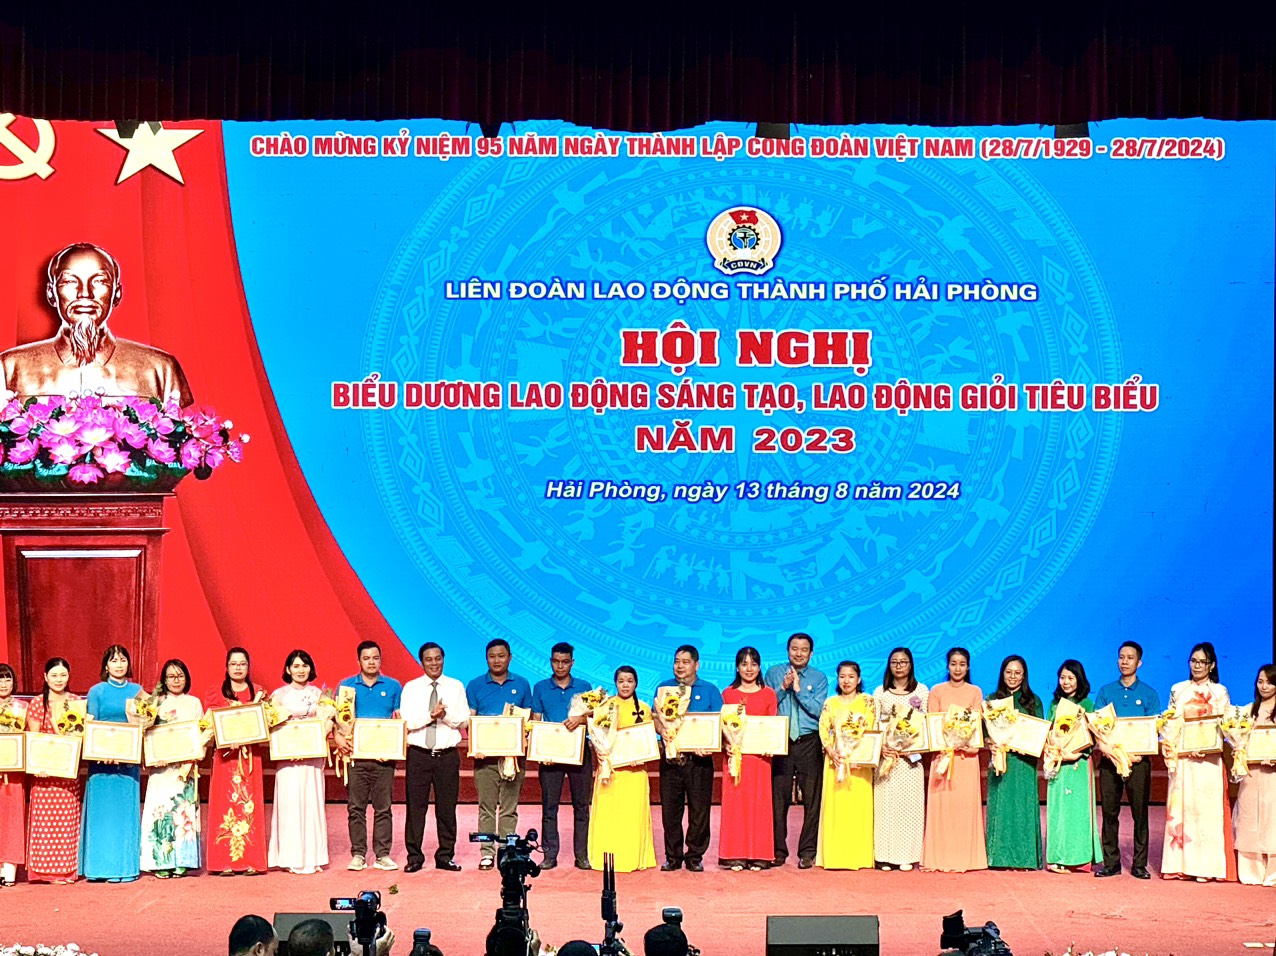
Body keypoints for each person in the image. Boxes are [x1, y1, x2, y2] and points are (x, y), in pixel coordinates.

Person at [1, 242, 193, 403]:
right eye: (70, 282)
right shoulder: (9, 368)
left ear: (117, 293)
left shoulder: (162, 370)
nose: (85, 293)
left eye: (100, 281)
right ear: (51, 293)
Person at [1162, 641, 1235, 882]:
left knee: (1207, 813)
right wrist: (1175, 747)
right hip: (1184, 760)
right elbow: (1171, 723)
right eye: (1193, 661)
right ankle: (1180, 866)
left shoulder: (1220, 692)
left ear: (1212, 665)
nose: (1197, 666)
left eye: (1202, 662)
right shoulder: (1178, 690)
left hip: (1209, 762)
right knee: (1184, 811)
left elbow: (1227, 726)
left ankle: (1207, 868)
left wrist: (1219, 741)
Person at [1092, 640, 1161, 879]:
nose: (1124, 661)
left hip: (1138, 762)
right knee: (1109, 812)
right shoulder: (1106, 691)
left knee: (1139, 813)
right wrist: (1111, 752)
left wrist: (1137, 754)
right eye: (1121, 657)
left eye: (1130, 658)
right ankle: (1111, 863)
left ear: (1139, 662)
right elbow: (1099, 728)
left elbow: (1153, 731)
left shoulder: (1149, 694)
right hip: (1110, 761)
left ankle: (1139, 865)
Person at [653, 644, 723, 872]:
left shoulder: (710, 690)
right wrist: (662, 730)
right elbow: (656, 718)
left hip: (699, 761)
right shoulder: (664, 689)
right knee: (670, 811)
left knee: (699, 811)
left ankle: (694, 855)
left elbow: (718, 723)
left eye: (685, 662)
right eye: (677, 661)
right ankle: (673, 856)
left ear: (696, 665)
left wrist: (710, 745)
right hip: (671, 759)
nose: (680, 666)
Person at [401, 641, 469, 872]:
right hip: (418, 755)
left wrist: (444, 715)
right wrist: (431, 715)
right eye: (429, 659)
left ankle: (445, 856)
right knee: (415, 808)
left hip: (447, 756)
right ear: (421, 662)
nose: (434, 663)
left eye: (438, 658)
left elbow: (463, 720)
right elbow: (407, 722)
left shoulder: (456, 686)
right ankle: (414, 857)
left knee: (447, 808)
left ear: (443, 659)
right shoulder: (411, 687)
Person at [336, 640, 403, 872]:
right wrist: (338, 738)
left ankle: (382, 855)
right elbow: (339, 722)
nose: (371, 662)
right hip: (356, 758)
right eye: (366, 658)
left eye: (375, 658)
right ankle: (358, 854)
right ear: (358, 661)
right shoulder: (346, 687)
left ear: (380, 660)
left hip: (384, 759)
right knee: (356, 808)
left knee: (383, 808)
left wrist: (392, 748)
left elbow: (399, 721)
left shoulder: (393, 686)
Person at [467, 638, 533, 871]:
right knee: (486, 807)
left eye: (501, 656)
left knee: (509, 808)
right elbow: (470, 721)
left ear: (510, 657)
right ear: (487, 659)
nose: (497, 660)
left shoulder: (522, 684)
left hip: (513, 759)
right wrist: (476, 745)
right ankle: (487, 852)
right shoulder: (475, 685)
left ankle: (507, 850)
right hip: (485, 759)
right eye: (492, 656)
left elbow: (528, 721)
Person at [764, 632, 828, 869]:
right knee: (778, 798)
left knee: (812, 799)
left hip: (809, 741)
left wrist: (799, 690)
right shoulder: (773, 673)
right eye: (794, 648)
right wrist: (783, 687)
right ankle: (777, 850)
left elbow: (819, 711)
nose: (798, 653)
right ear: (787, 650)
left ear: (811, 653)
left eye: (804, 649)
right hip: (780, 740)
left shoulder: (819, 678)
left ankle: (808, 851)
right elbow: (767, 703)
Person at [82, 643, 143, 882]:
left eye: (123, 660)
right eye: (114, 660)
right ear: (106, 666)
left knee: (123, 817)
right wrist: (102, 751)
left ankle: (125, 869)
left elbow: (143, 724)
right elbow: (91, 725)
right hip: (101, 763)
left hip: (127, 765)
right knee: (103, 818)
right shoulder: (96, 691)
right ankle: (99, 869)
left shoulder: (139, 691)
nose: (119, 664)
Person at [922, 646, 986, 872]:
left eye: (962, 664)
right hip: (943, 757)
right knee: (943, 809)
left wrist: (966, 744)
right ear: (947, 666)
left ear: (968, 667)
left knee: (964, 810)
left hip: (966, 758)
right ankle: (939, 857)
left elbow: (976, 725)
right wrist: (947, 744)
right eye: (953, 664)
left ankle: (967, 858)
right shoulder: (937, 691)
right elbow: (932, 723)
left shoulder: (975, 691)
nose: (957, 668)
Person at [530, 641, 593, 870]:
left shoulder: (584, 686)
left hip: (579, 751)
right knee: (549, 806)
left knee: (582, 806)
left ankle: (582, 855)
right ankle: (550, 854)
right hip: (550, 753)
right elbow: (536, 721)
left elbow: (595, 719)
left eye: (565, 662)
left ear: (572, 663)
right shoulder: (540, 687)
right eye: (556, 661)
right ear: (550, 662)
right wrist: (539, 750)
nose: (560, 666)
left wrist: (581, 719)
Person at [206, 647, 269, 875]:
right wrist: (225, 738)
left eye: (242, 664)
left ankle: (251, 861)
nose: (238, 668)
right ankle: (224, 862)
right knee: (225, 804)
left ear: (248, 667)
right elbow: (210, 724)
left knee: (249, 806)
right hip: (225, 758)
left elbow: (266, 723)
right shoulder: (215, 693)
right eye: (233, 664)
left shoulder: (259, 692)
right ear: (226, 667)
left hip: (251, 757)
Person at [587, 666, 656, 872]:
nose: (625, 685)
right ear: (615, 683)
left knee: (632, 817)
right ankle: (607, 856)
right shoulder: (605, 707)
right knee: (611, 815)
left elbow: (648, 740)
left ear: (636, 683)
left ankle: (632, 857)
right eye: (621, 681)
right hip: (611, 771)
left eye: (630, 681)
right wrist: (601, 752)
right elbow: (598, 736)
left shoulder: (644, 708)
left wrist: (640, 757)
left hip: (636, 772)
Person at [268, 649, 329, 875]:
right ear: (288, 669)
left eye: (304, 665)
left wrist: (318, 736)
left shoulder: (319, 695)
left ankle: (313, 857)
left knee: (311, 802)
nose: (300, 670)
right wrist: (288, 748)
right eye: (296, 666)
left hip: (311, 758)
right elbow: (272, 727)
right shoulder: (278, 696)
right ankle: (290, 857)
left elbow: (326, 723)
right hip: (288, 760)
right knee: (290, 804)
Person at [141, 658, 203, 877]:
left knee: (183, 813)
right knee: (162, 812)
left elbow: (200, 733)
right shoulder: (154, 703)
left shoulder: (194, 703)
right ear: (164, 680)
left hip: (185, 768)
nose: (176, 680)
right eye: (171, 676)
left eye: (180, 676)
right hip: (161, 769)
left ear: (186, 678)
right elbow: (145, 734)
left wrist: (192, 757)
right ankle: (161, 860)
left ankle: (182, 860)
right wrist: (153, 755)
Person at [718, 647, 777, 871]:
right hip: (734, 758)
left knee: (759, 805)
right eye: (744, 664)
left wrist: (772, 746)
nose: (749, 669)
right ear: (737, 667)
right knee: (735, 806)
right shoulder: (728, 694)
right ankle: (735, 854)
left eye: (753, 664)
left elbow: (772, 726)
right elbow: (721, 727)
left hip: (760, 760)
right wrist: (725, 743)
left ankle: (760, 854)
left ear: (759, 667)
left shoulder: (768, 694)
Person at [24, 657, 81, 883]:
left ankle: (66, 870)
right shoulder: (38, 703)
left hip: (67, 774)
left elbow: (80, 735)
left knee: (67, 824)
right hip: (45, 775)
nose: (59, 680)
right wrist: (38, 766)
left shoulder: (76, 702)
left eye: (63, 675)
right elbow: (35, 738)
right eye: (54, 675)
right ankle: (45, 872)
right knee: (46, 825)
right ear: (45, 677)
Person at [815, 661, 876, 870]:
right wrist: (831, 751)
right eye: (842, 676)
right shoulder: (831, 703)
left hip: (860, 764)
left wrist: (861, 756)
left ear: (859, 679)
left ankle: (858, 857)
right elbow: (823, 729)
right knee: (837, 808)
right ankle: (835, 856)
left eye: (851, 676)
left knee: (857, 808)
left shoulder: (868, 701)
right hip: (837, 761)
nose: (846, 681)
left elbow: (871, 729)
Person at [871, 647, 928, 870]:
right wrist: (882, 747)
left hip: (910, 761)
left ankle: (906, 856)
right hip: (887, 759)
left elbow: (926, 725)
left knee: (908, 809)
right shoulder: (880, 692)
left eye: (903, 662)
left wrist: (911, 748)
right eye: (894, 662)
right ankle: (883, 856)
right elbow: (874, 724)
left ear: (911, 664)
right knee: (885, 808)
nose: (899, 666)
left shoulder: (921, 691)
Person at [984, 655, 1043, 870]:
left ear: (1024, 675)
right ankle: (998, 857)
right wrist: (992, 743)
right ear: (1002, 674)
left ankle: (1025, 858)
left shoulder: (1034, 700)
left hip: (1024, 763)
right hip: (1001, 760)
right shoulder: (992, 699)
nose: (1012, 676)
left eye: (1017, 673)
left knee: (1022, 808)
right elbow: (985, 732)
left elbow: (1039, 732)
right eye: (1008, 672)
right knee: (1001, 807)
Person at [1044, 659, 1099, 873]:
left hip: (1079, 763)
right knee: (1058, 810)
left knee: (1077, 812)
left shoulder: (1087, 704)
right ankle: (1057, 857)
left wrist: (1076, 753)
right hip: (1059, 762)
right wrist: (1052, 749)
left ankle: (1079, 858)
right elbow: (1049, 731)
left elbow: (1094, 735)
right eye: (1062, 677)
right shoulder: (1054, 704)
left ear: (1079, 679)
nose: (1066, 682)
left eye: (1070, 678)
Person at [1235, 663, 1276, 886]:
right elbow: (1238, 740)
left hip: (1273, 775)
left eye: (1269, 682)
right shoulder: (1247, 711)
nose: (1264, 686)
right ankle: (1251, 871)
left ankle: (1272, 872)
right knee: (1249, 818)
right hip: (1251, 773)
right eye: (1260, 682)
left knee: (1272, 820)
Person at [0, 663, 25, 886]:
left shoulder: (21, 707)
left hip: (14, 774)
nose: (3, 683)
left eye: (7, 679)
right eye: (0, 679)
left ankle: (9, 870)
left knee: (12, 819)